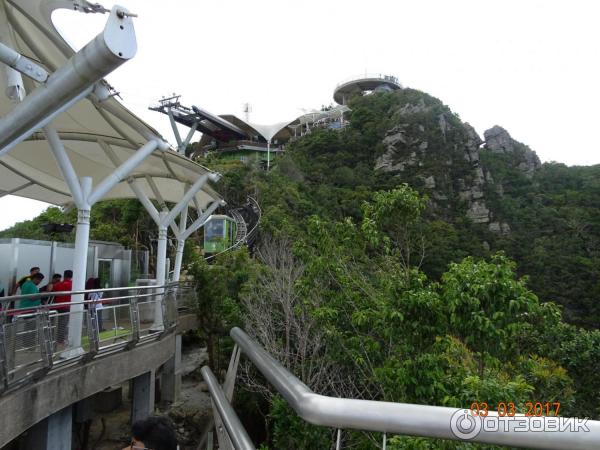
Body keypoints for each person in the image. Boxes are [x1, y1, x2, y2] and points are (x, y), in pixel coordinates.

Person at [52, 270, 73, 344]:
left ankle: (57, 338)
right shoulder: (73, 284)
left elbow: (53, 293)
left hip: (57, 306)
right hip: (67, 306)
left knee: (58, 323)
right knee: (64, 324)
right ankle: (60, 340)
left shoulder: (57, 284)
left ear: (64, 275)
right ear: (72, 276)